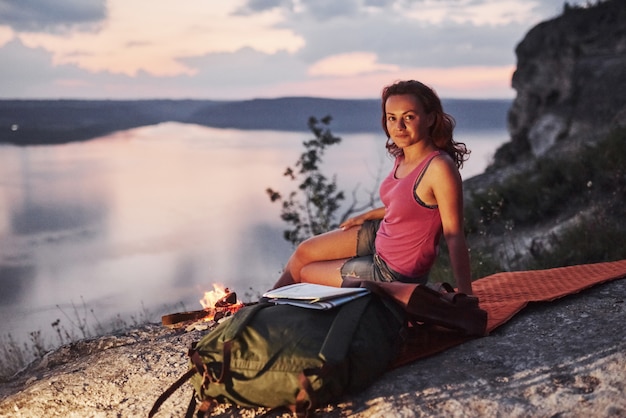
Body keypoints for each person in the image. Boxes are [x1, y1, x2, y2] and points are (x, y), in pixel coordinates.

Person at [272, 80, 473, 295]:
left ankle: (263, 309)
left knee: (306, 273)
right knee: (304, 251)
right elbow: (413, 207)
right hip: (382, 234)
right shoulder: (404, 155)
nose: (399, 127)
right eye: (392, 118)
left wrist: (467, 294)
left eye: (409, 117)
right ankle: (260, 304)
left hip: (393, 271)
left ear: (430, 118)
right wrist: (369, 215)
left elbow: (453, 234)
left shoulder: (439, 168)